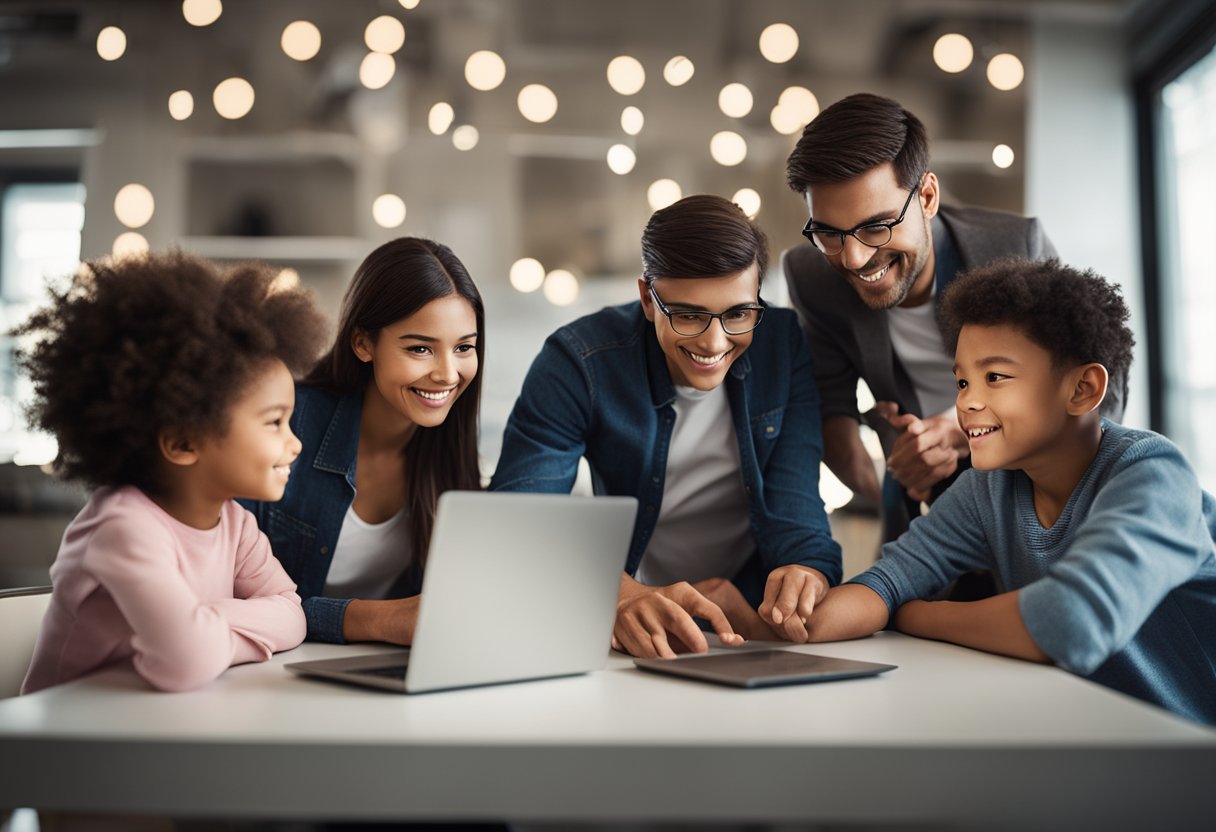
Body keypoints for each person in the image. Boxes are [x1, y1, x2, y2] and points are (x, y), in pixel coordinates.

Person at [804, 258, 1216, 725]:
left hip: (1195, 759)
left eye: (994, 377)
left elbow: (1070, 622)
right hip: (1099, 745)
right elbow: (887, 583)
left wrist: (916, 616)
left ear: (1082, 389)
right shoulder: (989, 488)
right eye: (961, 381)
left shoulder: (1152, 474)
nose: (966, 401)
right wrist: (793, 615)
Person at [491, 194, 842, 659]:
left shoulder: (782, 343)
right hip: (623, 619)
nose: (714, 342)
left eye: (738, 313)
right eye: (689, 315)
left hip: (741, 621)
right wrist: (622, 593)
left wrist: (806, 573)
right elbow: (517, 525)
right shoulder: (579, 360)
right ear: (647, 299)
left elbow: (797, 509)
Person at [18, 251, 325, 694]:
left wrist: (205, 620)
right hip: (64, 746)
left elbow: (292, 616)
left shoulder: (235, 522)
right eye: (274, 422)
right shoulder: (122, 526)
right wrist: (218, 629)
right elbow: (184, 662)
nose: (294, 443)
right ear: (183, 442)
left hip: (152, 728)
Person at [783, 92, 1081, 543]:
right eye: (828, 232)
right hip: (923, 519)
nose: (854, 257)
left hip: (1039, 502)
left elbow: (1098, 390)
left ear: (926, 196)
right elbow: (829, 408)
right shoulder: (811, 276)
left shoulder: (1015, 249)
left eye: (875, 225)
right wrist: (895, 483)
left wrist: (961, 432)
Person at [241, 237, 484, 645]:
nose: (447, 374)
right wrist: (375, 620)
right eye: (421, 348)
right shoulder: (286, 423)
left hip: (376, 676)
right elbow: (229, 596)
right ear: (363, 343)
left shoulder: (448, 448)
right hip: (267, 677)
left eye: (464, 348)